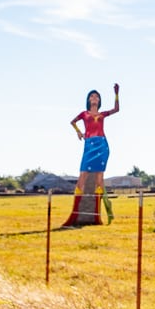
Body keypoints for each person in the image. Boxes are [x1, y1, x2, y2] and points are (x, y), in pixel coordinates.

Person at [64, 84, 119, 226]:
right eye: (92, 96)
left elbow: (116, 109)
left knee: (99, 180)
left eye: (97, 96)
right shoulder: (84, 114)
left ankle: (100, 215)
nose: (94, 98)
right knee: (82, 176)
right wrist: (78, 132)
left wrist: (116, 94)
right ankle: (74, 215)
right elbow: (72, 122)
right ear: (88, 100)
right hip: (89, 145)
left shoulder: (102, 114)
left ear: (99, 101)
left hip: (102, 145)